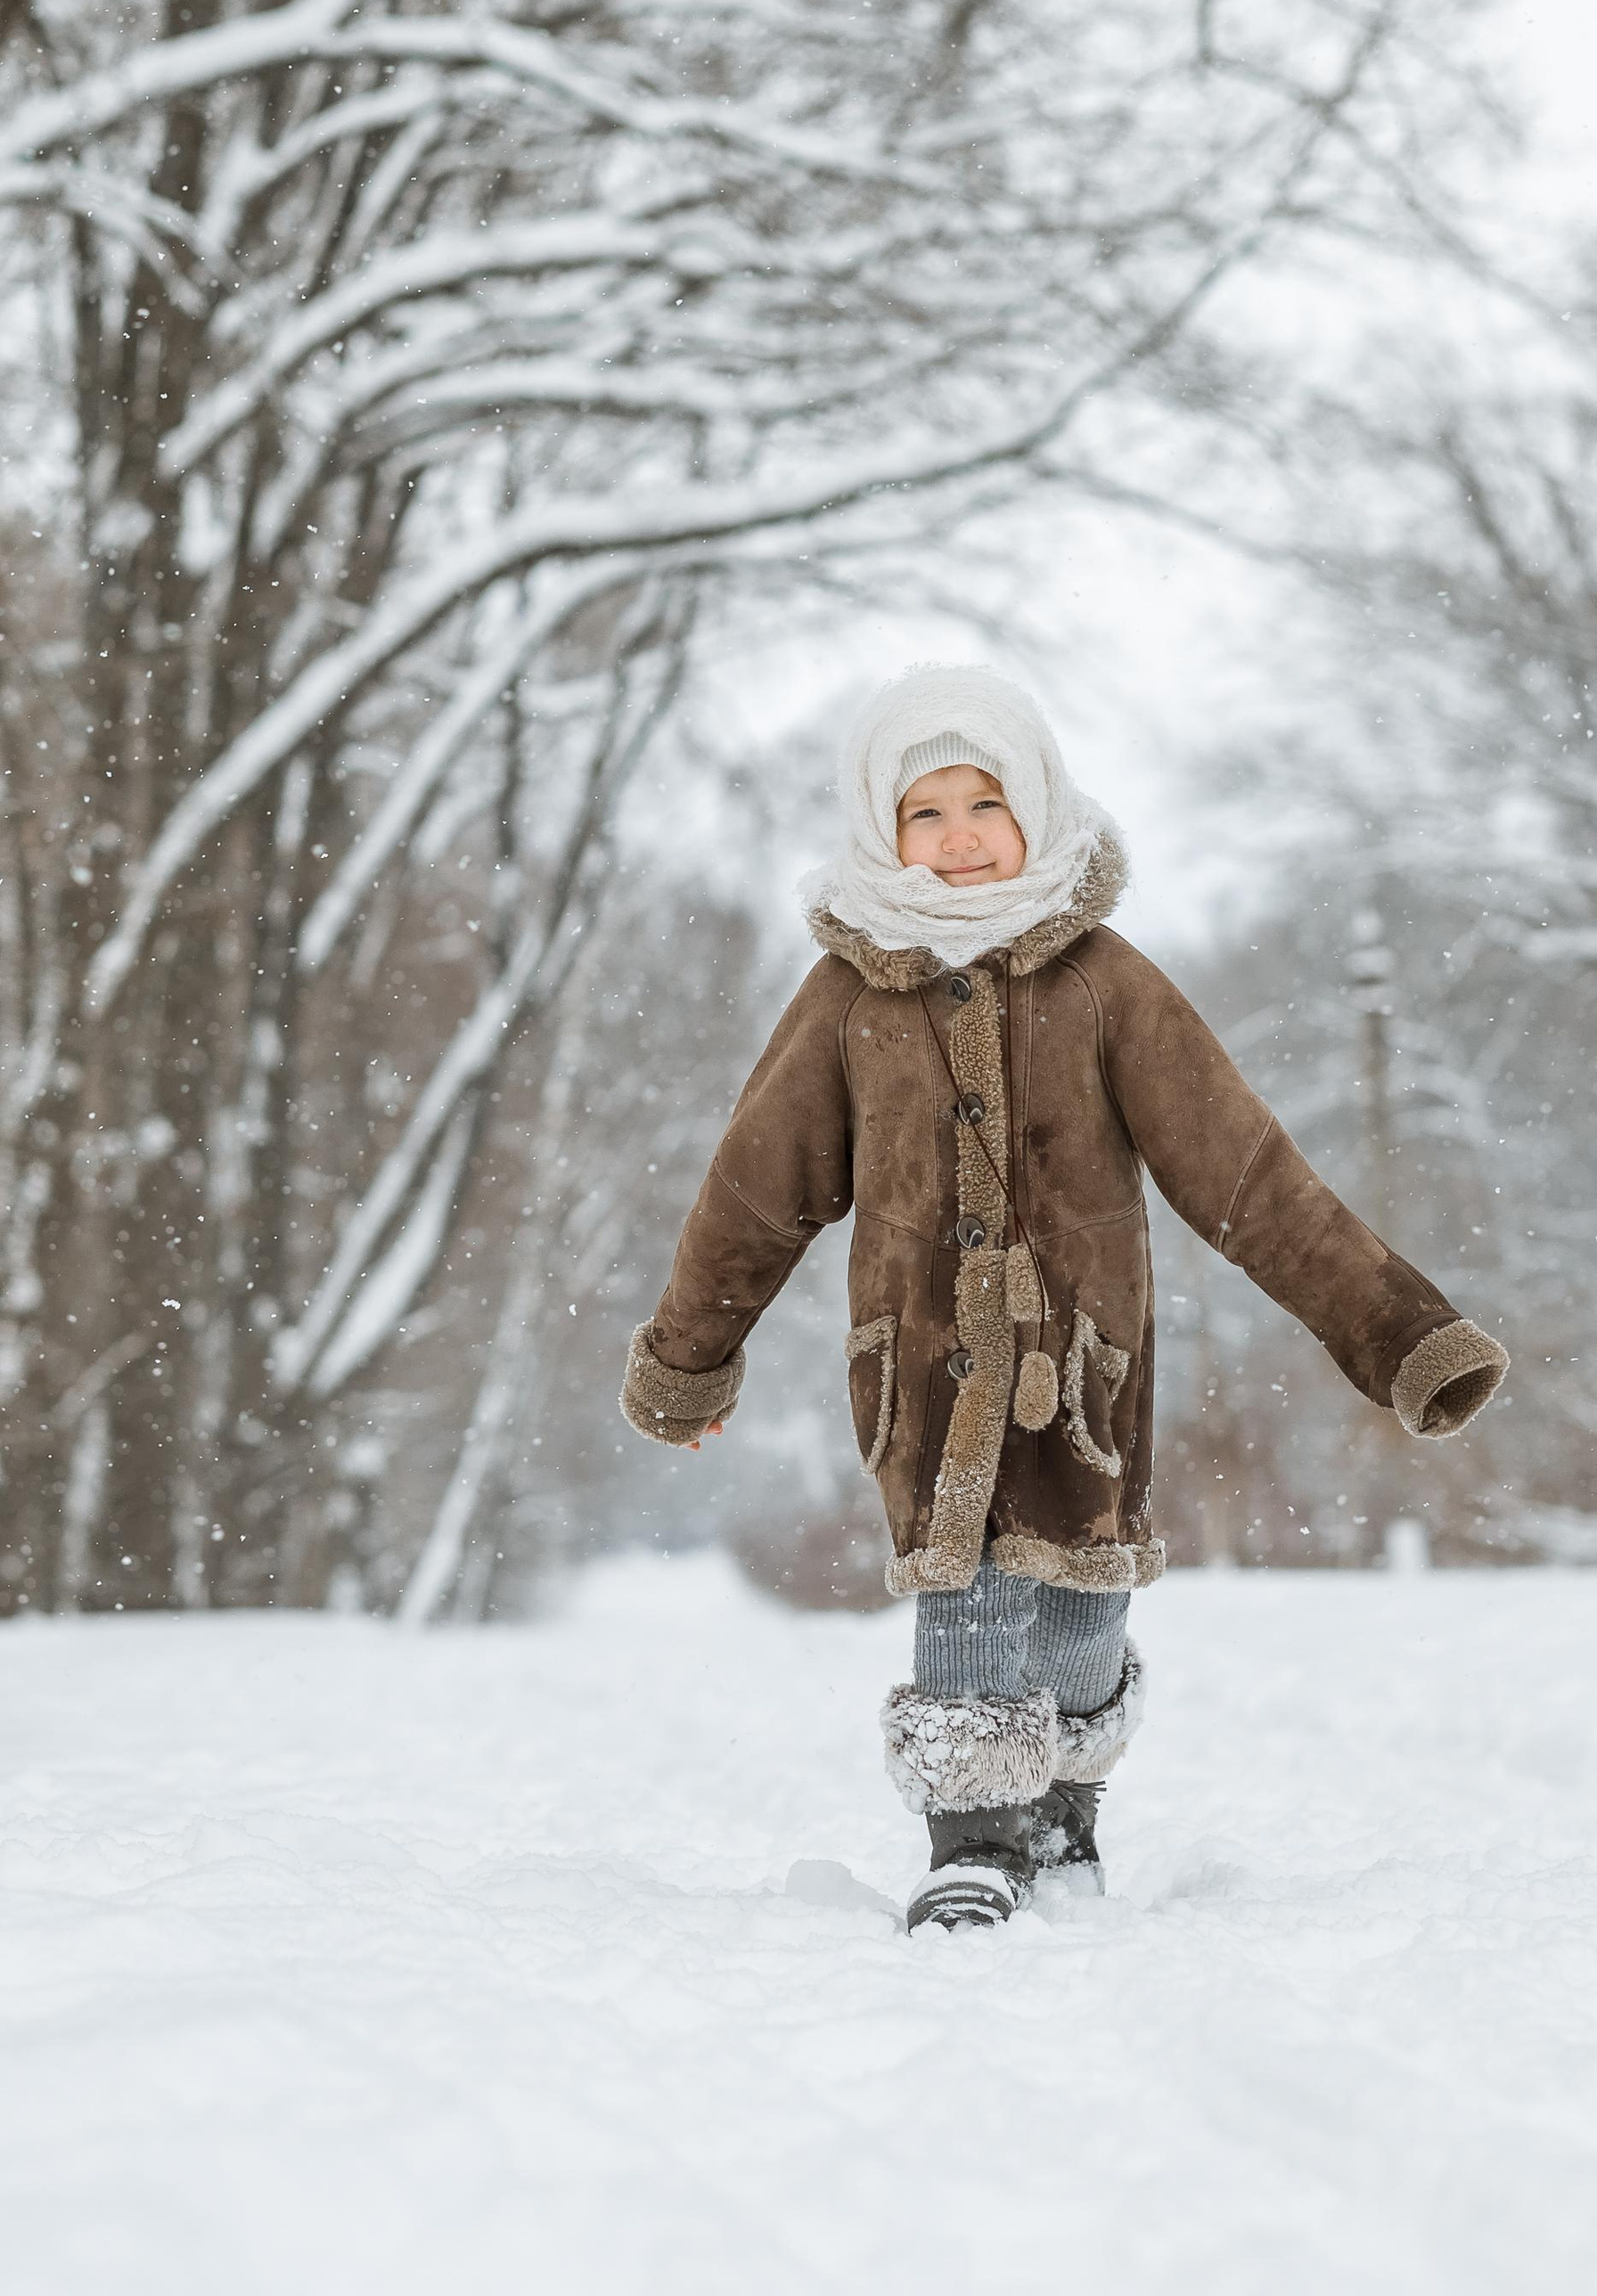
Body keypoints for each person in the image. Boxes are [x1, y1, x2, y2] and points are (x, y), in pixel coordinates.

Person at [619, 664, 1508, 1933]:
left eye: (984, 802)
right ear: (882, 829)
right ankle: (972, 1842)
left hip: (1090, 1372)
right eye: (924, 812)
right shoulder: (847, 1002)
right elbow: (756, 1194)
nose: (959, 836)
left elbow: (1248, 1177)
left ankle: (1063, 1823)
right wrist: (689, 1358)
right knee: (970, 1590)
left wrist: (1402, 1337)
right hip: (926, 1370)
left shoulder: (1105, 982)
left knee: (1084, 1610)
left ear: (1036, 803)